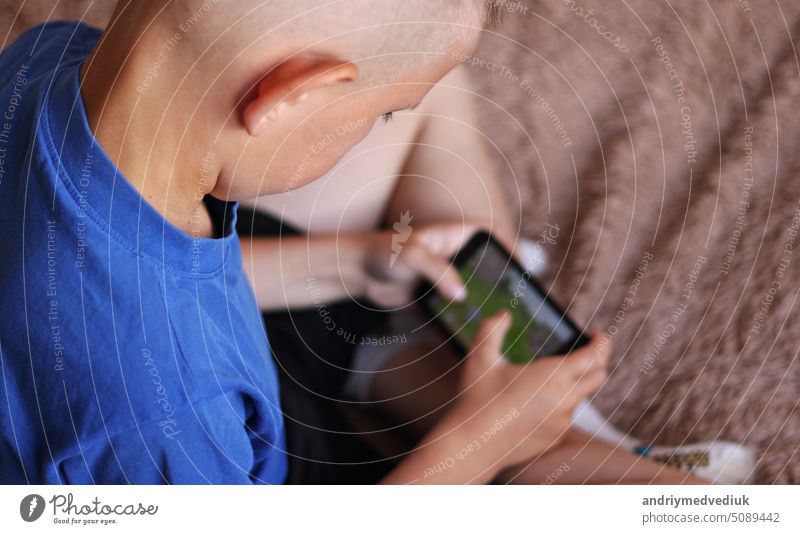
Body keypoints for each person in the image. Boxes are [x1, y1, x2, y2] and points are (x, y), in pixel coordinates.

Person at [0, 0, 616, 484]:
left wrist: (355, 263)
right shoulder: (165, 411)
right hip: (274, 469)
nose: (376, 128)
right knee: (519, 442)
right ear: (291, 93)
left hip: (229, 341)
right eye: (383, 115)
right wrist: (479, 444)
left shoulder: (50, 55)